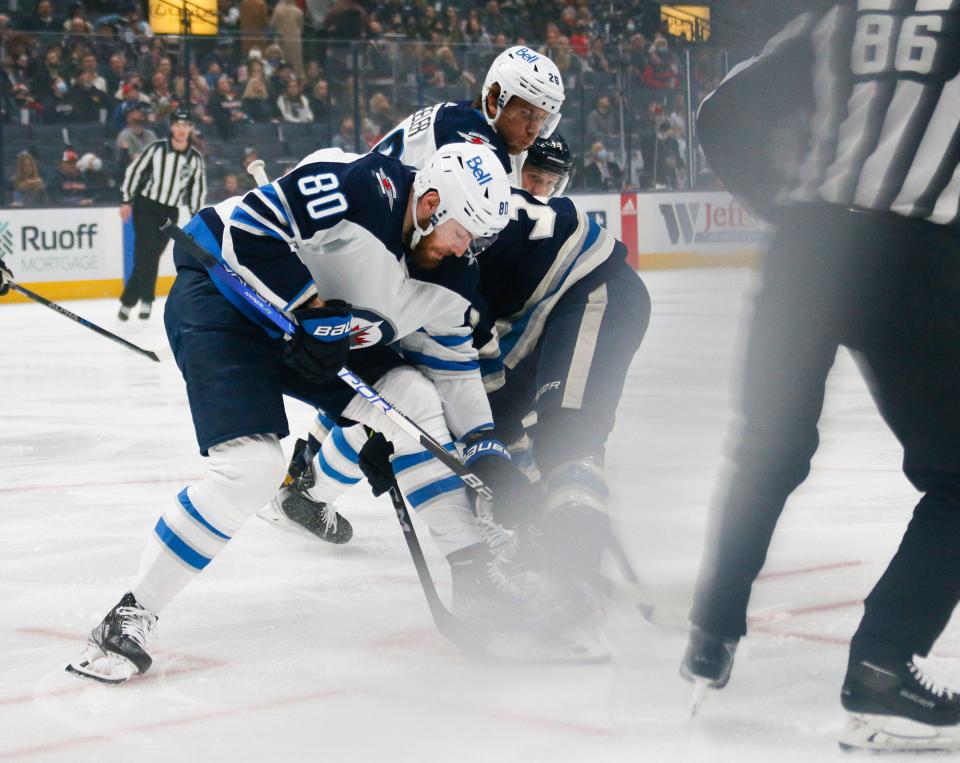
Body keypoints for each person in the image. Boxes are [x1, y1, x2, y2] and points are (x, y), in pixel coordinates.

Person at [65, 142, 517, 684]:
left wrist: (485, 445)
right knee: (251, 469)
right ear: (431, 203)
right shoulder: (361, 184)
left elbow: (452, 368)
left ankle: (472, 572)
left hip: (317, 337)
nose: (467, 249)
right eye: (463, 232)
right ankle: (127, 617)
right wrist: (307, 309)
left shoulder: (455, 274)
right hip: (225, 302)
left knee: (414, 404)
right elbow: (250, 228)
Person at [679, 3, 960, 752]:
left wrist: (793, 210)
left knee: (769, 446)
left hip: (806, 249)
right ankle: (882, 664)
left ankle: (712, 627)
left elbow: (725, 111)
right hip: (914, 257)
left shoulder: (842, 13)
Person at [266, 135, 650, 660]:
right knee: (409, 409)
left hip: (584, 292)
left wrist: (490, 454)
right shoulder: (416, 228)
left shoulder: (452, 248)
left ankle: (562, 571)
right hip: (552, 299)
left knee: (544, 432)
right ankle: (312, 487)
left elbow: (471, 372)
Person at [372, 45, 566, 182]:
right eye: (526, 114)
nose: (534, 129)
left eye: (542, 117)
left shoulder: (460, 116)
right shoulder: (474, 148)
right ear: (493, 101)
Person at [117, 108, 206, 321]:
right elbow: (134, 171)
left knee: (152, 254)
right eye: (178, 125)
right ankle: (146, 299)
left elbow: (197, 189)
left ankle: (128, 301)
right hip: (146, 206)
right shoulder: (157, 149)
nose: (182, 129)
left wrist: (197, 217)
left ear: (191, 129)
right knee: (145, 251)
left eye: (186, 125)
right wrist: (127, 199)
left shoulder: (195, 159)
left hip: (170, 212)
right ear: (172, 127)